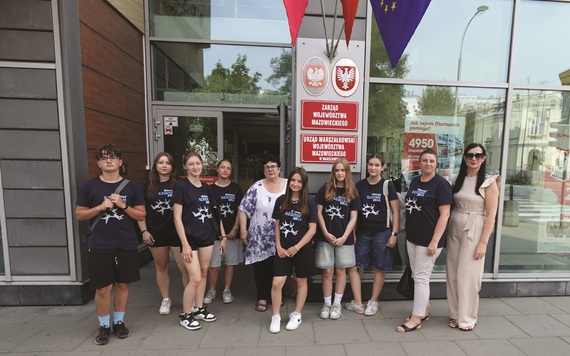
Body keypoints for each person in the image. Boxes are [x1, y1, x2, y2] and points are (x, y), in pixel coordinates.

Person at [75, 144, 146, 345]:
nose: (109, 160)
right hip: (100, 244)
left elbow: (141, 214)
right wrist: (100, 206)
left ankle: (119, 322)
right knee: (103, 288)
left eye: (113, 157)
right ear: (98, 163)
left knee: (123, 284)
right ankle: (104, 326)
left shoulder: (132, 187)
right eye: (104, 158)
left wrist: (124, 205)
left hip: (126, 243)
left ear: (120, 162)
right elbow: (79, 214)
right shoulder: (89, 187)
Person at [396, 148, 452, 333]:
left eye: (432, 161)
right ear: (419, 163)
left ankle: (416, 318)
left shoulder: (441, 185)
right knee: (416, 275)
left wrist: (435, 241)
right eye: (425, 160)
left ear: (436, 164)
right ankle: (424, 311)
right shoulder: (415, 181)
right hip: (413, 237)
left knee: (421, 278)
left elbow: (445, 215)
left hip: (429, 240)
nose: (428, 164)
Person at [447, 143, 499, 331]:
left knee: (468, 276)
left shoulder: (488, 182)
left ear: (484, 158)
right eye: (470, 155)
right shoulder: (456, 179)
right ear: (464, 157)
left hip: (475, 227)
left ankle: (467, 317)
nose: (474, 158)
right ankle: (455, 314)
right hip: (455, 225)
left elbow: (492, 214)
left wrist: (483, 243)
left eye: (478, 155)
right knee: (452, 273)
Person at [173, 151, 219, 330]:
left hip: (206, 236)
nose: (195, 167)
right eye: (191, 164)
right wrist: (184, 243)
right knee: (195, 278)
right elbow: (177, 217)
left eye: (198, 163)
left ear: (203, 165)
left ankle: (199, 308)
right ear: (185, 166)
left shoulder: (206, 187)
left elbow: (213, 214)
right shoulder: (181, 186)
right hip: (189, 239)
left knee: (204, 272)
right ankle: (186, 314)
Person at [138, 152, 189, 315]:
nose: (164, 165)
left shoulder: (180, 184)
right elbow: (141, 212)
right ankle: (166, 299)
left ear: (172, 166)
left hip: (177, 233)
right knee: (161, 266)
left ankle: (190, 299)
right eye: (161, 162)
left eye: (168, 162)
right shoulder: (146, 186)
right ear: (155, 165)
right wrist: (144, 231)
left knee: (185, 268)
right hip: (155, 232)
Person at [269, 167, 317, 333]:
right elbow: (277, 225)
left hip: (302, 249)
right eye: (293, 180)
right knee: (277, 283)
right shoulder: (281, 200)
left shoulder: (310, 202)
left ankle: (297, 314)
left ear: (304, 184)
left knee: (301, 282)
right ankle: (276, 315)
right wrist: (278, 246)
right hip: (283, 249)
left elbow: (312, 229)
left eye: (299, 181)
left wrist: (296, 247)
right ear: (289, 181)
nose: (296, 184)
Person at [351, 154, 399, 316]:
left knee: (379, 267)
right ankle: (358, 302)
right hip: (363, 232)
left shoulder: (387, 185)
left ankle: (373, 301)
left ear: (382, 167)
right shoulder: (360, 185)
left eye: (377, 165)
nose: (373, 168)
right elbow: (355, 212)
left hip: (382, 232)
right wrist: (354, 233)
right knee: (354, 265)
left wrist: (394, 233)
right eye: (371, 164)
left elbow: (395, 211)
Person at [238, 154, 287, 312]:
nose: (270, 169)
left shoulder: (289, 185)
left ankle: (278, 296)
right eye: (267, 167)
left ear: (279, 169)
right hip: (259, 237)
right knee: (261, 269)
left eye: (273, 166)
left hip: (282, 236)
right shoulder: (256, 187)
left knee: (279, 268)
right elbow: (243, 208)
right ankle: (262, 297)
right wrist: (243, 230)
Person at [315, 158, 363, 320]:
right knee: (327, 271)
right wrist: (326, 233)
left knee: (341, 271)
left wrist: (344, 237)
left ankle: (337, 304)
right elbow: (318, 213)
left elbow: (354, 218)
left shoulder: (352, 192)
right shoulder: (325, 189)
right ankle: (327, 303)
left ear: (347, 172)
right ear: (333, 172)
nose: (340, 173)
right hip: (325, 238)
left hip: (345, 239)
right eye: (337, 170)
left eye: (343, 170)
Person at [204, 159, 244, 304]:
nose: (225, 170)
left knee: (230, 263)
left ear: (231, 171)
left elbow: (241, 210)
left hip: (232, 233)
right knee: (213, 265)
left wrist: (235, 229)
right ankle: (212, 290)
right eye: (222, 167)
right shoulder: (209, 189)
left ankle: (227, 290)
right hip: (214, 234)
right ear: (217, 169)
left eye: (228, 168)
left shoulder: (235, 188)